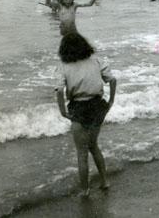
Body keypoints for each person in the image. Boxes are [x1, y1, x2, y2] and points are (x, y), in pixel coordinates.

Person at [54, 32, 116, 197]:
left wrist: (62, 110)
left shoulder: (63, 66)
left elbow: (60, 90)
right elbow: (112, 80)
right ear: (84, 45)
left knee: (81, 152)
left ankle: (85, 190)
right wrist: (111, 101)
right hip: (97, 105)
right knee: (93, 146)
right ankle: (104, 181)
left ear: (64, 49)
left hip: (79, 107)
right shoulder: (95, 60)